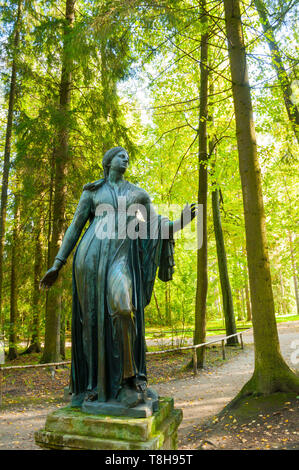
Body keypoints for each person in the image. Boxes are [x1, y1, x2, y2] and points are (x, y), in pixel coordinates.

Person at [40, 147, 197, 409]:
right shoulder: (92, 192)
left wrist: (181, 222)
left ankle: (128, 380)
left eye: (127, 156)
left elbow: (157, 226)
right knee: (90, 322)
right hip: (88, 262)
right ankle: (93, 386)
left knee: (124, 309)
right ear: (108, 161)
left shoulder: (138, 195)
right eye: (120, 155)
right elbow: (76, 227)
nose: (125, 158)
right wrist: (58, 263)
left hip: (120, 260)